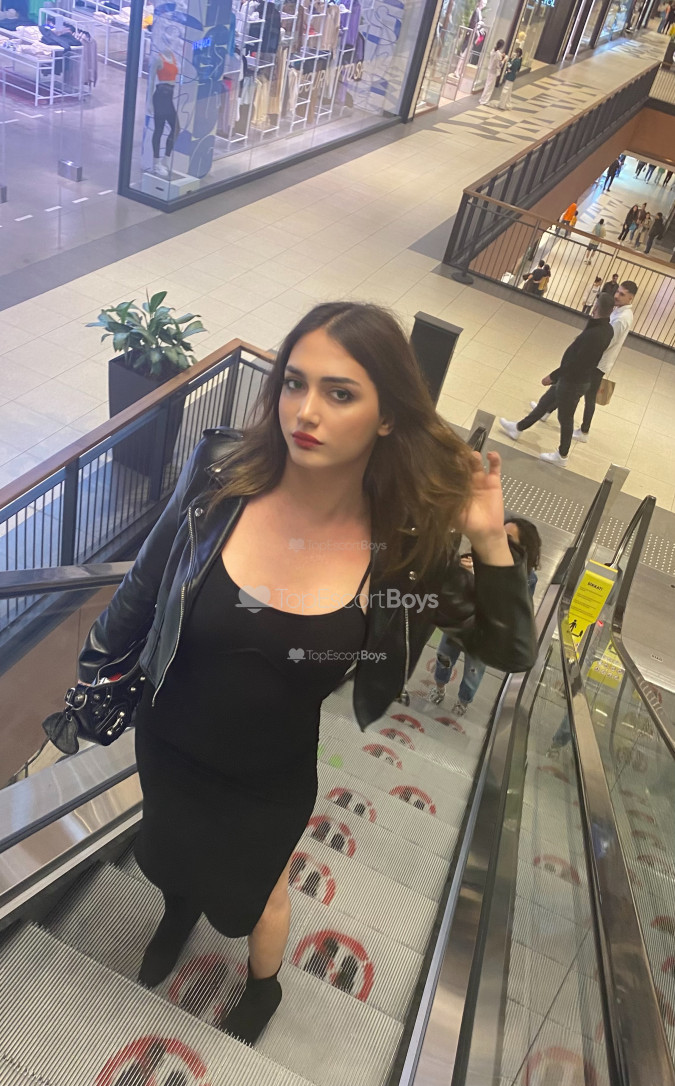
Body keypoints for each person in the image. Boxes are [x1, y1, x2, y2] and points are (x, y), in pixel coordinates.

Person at [76, 301, 537, 1045]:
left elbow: (509, 650)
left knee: (259, 893)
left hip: (269, 775)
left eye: (340, 393)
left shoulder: (403, 550)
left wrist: (488, 542)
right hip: (170, 738)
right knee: (171, 854)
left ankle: (263, 987)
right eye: (294, 383)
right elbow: (143, 585)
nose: (306, 411)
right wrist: (93, 676)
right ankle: (177, 912)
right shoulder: (222, 476)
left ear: (388, 417)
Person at [429, 517, 542, 713]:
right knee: (444, 658)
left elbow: (515, 613)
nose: (500, 541)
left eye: (508, 538)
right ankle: (439, 688)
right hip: (461, 624)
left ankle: (463, 702)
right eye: (499, 534)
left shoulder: (527, 579)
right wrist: (464, 574)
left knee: (473, 672)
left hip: (487, 634)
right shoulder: (480, 556)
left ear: (523, 548)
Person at [499, 292, 614, 467]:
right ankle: (518, 428)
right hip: (574, 379)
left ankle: (562, 455)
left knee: (565, 418)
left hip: (573, 382)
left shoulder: (594, 334)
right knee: (545, 402)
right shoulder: (607, 329)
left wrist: (553, 376)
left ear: (596, 307)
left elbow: (576, 362)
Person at [574, 281, 638, 443]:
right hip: (598, 360)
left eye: (622, 294)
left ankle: (584, 431)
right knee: (575, 388)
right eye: (617, 292)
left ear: (630, 298)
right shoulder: (619, 311)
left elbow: (607, 341)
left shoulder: (622, 319)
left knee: (584, 393)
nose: (616, 296)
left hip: (598, 362)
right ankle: (546, 409)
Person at [479, 38, 505, 106]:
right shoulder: (498, 54)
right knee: (490, 87)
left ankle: (482, 99)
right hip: (494, 72)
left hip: (490, 70)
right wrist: (503, 60)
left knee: (487, 85)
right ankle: (485, 100)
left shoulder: (493, 51)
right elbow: (499, 65)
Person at [498, 44, 522, 110]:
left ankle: (502, 105)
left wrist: (508, 60)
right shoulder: (516, 60)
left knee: (505, 91)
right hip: (510, 76)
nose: (514, 53)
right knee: (508, 91)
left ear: (518, 53)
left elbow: (510, 66)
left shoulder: (517, 61)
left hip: (510, 77)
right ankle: (504, 103)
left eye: (515, 52)